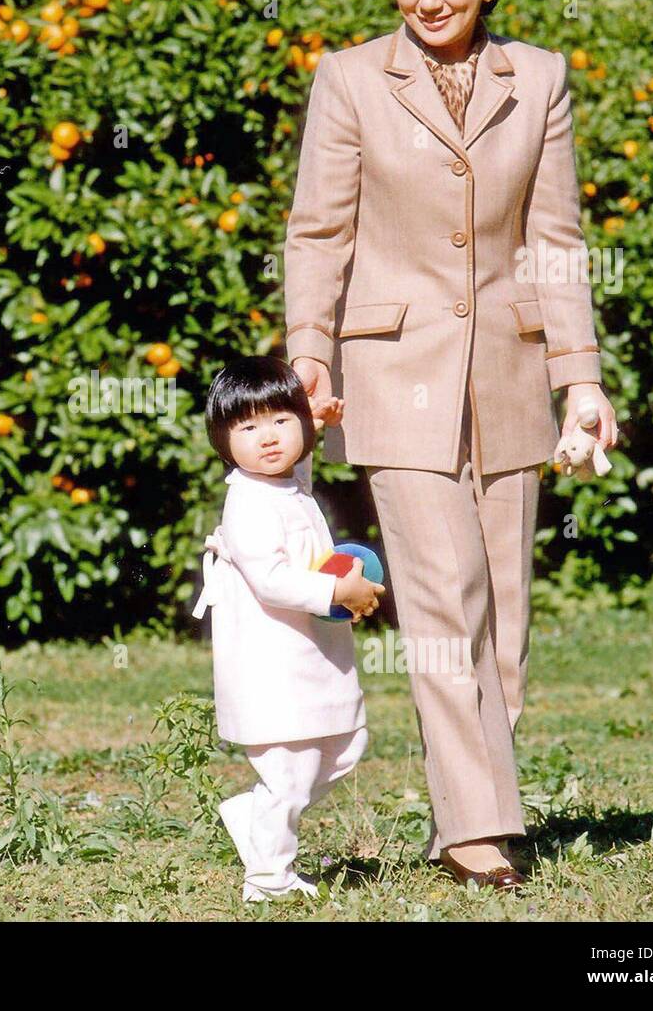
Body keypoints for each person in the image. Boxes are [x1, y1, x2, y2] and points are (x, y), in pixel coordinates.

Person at [282, 0, 620, 891]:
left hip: (512, 372)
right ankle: (477, 829)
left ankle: (478, 792)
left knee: (501, 612)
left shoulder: (541, 79)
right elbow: (318, 230)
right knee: (443, 595)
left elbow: (553, 242)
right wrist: (311, 352)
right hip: (391, 370)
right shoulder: (347, 80)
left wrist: (581, 380)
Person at [193, 357, 383, 901]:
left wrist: (313, 421)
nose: (268, 439)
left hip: (313, 655)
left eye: (280, 420)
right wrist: (335, 592)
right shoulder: (246, 502)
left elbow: (296, 462)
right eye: (248, 428)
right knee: (290, 770)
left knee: (347, 744)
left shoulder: (284, 483)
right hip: (270, 663)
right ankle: (269, 878)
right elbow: (272, 580)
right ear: (223, 441)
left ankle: (254, 812)